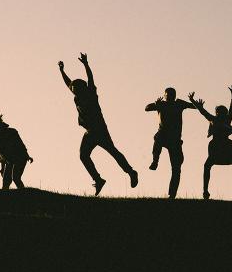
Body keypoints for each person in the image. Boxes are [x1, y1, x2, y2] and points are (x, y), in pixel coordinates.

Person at [58, 53, 138, 195]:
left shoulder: (90, 93)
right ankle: (99, 180)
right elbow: (68, 83)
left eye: (75, 89)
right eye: (73, 90)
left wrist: (86, 64)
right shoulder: (76, 95)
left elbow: (90, 78)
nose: (73, 91)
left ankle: (131, 172)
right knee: (83, 155)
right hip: (89, 131)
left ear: (82, 88)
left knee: (113, 152)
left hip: (99, 130)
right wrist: (62, 70)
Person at [144, 87, 196, 199]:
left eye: (172, 95)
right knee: (158, 138)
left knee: (177, 168)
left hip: (175, 140)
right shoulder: (161, 104)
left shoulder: (179, 104)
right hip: (163, 135)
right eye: (168, 95)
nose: (171, 97)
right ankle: (155, 161)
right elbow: (147, 108)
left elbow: (195, 107)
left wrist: (192, 101)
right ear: (164, 96)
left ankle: (172, 194)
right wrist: (156, 104)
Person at [0, 115, 34, 189]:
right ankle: (5, 199)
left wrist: (27, 155)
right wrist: (2, 168)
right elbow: (1, 153)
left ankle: (25, 196)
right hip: (9, 160)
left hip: (20, 157)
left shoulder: (12, 132)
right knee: (6, 182)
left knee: (16, 178)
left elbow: (20, 144)